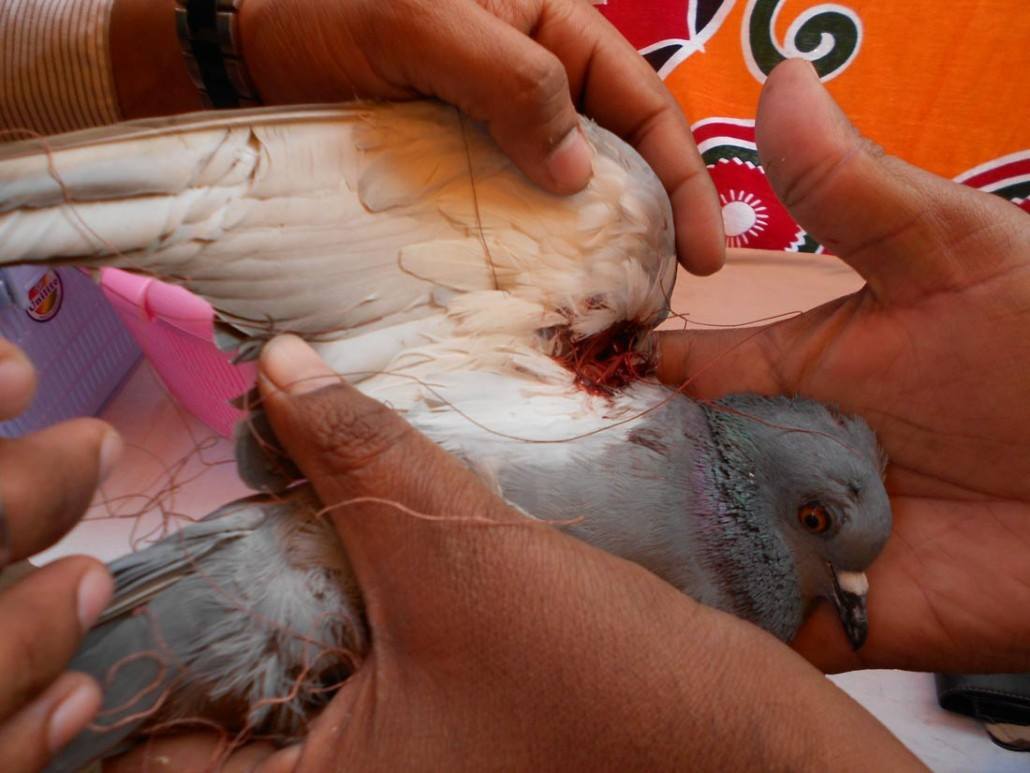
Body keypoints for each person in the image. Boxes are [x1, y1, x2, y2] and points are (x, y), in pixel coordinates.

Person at [0, 1, 1027, 770]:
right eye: (812, 515)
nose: (845, 597)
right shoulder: (591, 367)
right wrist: (220, 38)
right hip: (275, 593)